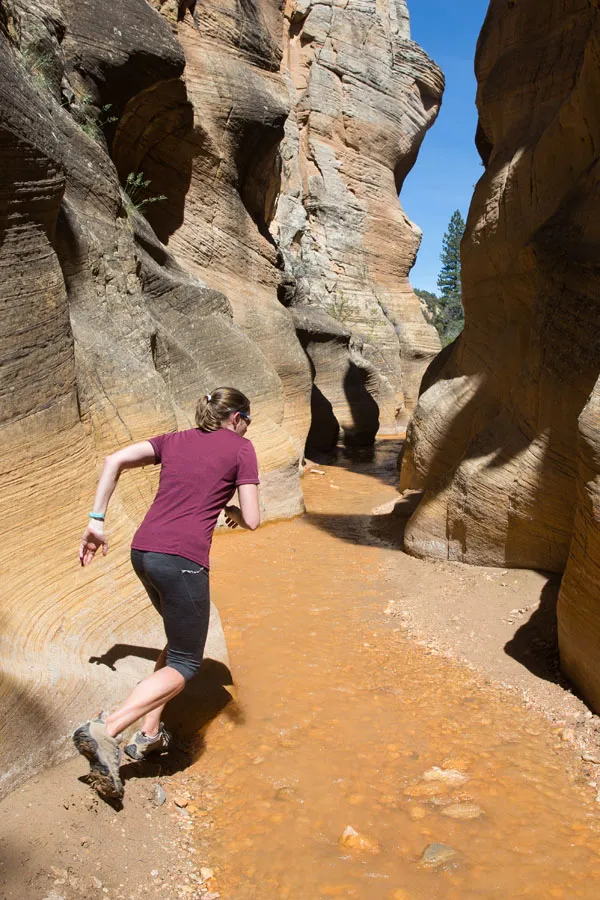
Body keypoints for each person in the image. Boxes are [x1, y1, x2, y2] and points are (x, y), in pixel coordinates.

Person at [73, 387, 260, 799]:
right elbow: (252, 518)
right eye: (248, 419)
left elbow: (114, 460)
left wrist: (96, 522)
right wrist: (231, 512)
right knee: (187, 663)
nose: (248, 427)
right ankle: (108, 729)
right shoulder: (241, 448)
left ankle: (150, 731)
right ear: (235, 418)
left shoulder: (174, 440)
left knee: (176, 643)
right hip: (183, 561)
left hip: (144, 553)